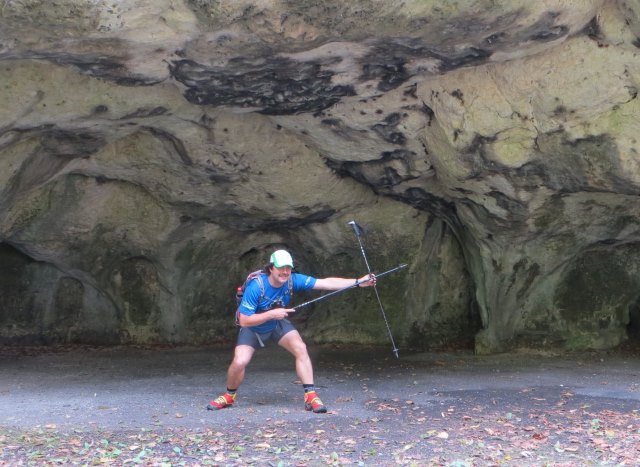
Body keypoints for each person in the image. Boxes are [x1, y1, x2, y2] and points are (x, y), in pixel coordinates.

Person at [207, 249, 376, 413]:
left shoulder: (292, 280)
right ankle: (229, 396)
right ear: (271, 268)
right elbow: (244, 320)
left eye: (288, 267)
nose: (285, 271)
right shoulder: (256, 286)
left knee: (300, 348)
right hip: (253, 328)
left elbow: (325, 283)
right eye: (281, 267)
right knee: (239, 362)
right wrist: (271, 314)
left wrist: (358, 282)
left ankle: (310, 395)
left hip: (277, 324)